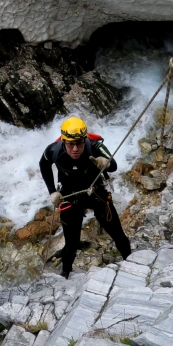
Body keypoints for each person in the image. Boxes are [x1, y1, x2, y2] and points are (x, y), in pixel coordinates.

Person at [39, 117, 131, 278]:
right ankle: (65, 273)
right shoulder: (54, 151)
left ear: (85, 139)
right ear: (64, 141)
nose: (75, 148)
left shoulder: (94, 146)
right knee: (71, 244)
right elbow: (43, 165)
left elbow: (113, 163)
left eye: (79, 143)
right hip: (69, 196)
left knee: (118, 235)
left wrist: (105, 163)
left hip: (95, 193)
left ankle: (131, 263)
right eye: (70, 144)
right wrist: (52, 191)